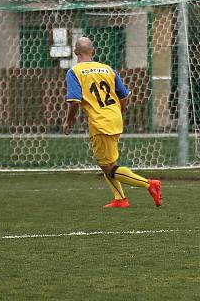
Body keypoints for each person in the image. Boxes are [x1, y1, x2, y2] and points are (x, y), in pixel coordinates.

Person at [63, 37, 162, 208]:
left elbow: (74, 101)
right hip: (114, 118)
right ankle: (120, 199)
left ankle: (149, 184)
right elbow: (123, 96)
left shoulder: (74, 72)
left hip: (100, 122)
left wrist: (68, 122)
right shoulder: (107, 69)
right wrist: (119, 112)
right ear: (93, 51)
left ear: (75, 52)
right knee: (107, 163)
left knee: (108, 167)